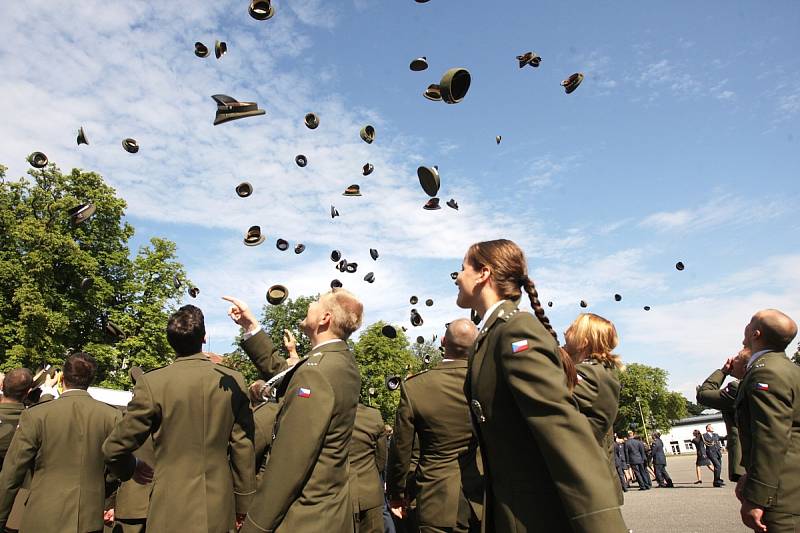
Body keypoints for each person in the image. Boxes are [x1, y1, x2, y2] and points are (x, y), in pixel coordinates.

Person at [454, 239, 627, 532]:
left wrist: (602, 523)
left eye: (462, 268)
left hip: (534, 516)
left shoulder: (515, 330)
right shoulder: (491, 336)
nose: (457, 277)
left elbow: (559, 425)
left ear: (484, 273)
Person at [103, 305, 255, 532]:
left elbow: (113, 448)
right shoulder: (235, 381)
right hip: (219, 504)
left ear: (170, 341)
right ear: (204, 338)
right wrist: (244, 504)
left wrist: (131, 468)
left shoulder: (153, 383)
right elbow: (242, 447)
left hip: (169, 504)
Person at [225, 289, 363, 533]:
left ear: (325, 319)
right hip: (328, 512)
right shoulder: (337, 360)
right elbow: (287, 374)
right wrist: (251, 326)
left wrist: (254, 526)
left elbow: (289, 464)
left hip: (305, 517)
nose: (310, 303)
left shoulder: (317, 371)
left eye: (316, 302)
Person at [0, 353, 121, 533]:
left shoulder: (36, 415)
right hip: (88, 517)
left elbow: (12, 474)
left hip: (42, 516)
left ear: (62, 378)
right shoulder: (112, 416)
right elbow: (116, 468)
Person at [387, 318, 483, 533]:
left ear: (442, 342)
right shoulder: (488, 384)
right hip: (484, 500)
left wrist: (397, 493)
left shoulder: (416, 387)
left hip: (435, 499)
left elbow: (401, 448)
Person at [735, 309, 800, 533]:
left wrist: (757, 498)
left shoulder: (766, 373)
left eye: (750, 321)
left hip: (783, 495)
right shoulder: (789, 369)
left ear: (755, 334)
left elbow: (771, 438)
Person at [563, 313, 625, 503]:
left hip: (587, 489)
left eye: (572, 328)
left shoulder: (589, 374)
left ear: (583, 342)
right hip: (597, 484)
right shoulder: (599, 370)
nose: (565, 331)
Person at [107, 369, 155, 533]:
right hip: (167, 506)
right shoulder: (175, 420)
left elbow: (113, 459)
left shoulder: (126, 422)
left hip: (131, 504)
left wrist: (109, 502)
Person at [696, 347, 749, 482]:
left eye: (736, 358)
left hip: (748, 459)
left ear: (745, 366)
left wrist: (723, 371)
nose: (731, 360)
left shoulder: (736, 389)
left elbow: (703, 394)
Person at [350, 403, 386, 533]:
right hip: (370, 491)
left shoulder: (326, 413)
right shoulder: (373, 416)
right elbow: (381, 459)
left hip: (336, 494)